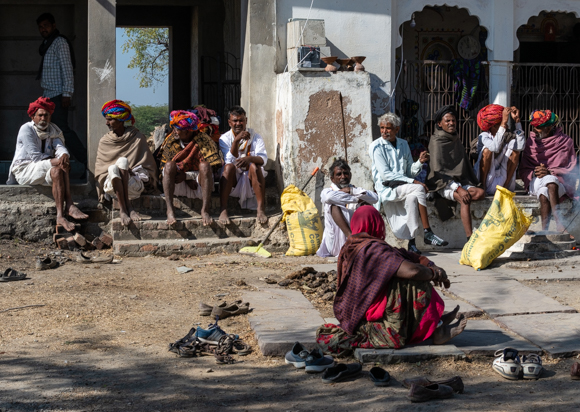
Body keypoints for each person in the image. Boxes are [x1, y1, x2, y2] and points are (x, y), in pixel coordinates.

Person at [316, 206, 467, 356]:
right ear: (377, 224)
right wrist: (434, 274)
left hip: (360, 310)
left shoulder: (356, 244)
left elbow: (405, 255)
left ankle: (435, 321)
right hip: (368, 315)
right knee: (414, 280)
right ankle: (437, 331)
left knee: (411, 269)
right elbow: (412, 271)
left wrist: (432, 266)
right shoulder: (372, 249)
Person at [369, 112, 448, 254]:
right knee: (418, 189)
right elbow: (385, 174)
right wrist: (413, 181)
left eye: (388, 128)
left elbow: (409, 172)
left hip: (403, 187)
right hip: (387, 188)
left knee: (412, 198)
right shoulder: (376, 146)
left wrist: (419, 162)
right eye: (382, 128)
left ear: (396, 129)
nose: (384, 131)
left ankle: (411, 243)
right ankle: (427, 232)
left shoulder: (403, 144)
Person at [6, 97, 88, 231]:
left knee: (58, 170)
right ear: (33, 116)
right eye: (40, 115)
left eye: (46, 115)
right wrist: (60, 160)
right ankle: (70, 204)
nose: (43, 118)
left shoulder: (53, 129)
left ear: (50, 117)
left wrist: (64, 155)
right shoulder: (26, 129)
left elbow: (60, 147)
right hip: (25, 170)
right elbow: (36, 157)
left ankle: (60, 216)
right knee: (60, 164)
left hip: (43, 169)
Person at [36, 12, 86, 172]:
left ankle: (86, 161)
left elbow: (67, 68)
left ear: (54, 26)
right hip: (48, 95)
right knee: (50, 131)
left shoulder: (60, 42)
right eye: (41, 27)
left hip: (58, 94)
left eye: (46, 26)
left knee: (62, 130)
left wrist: (67, 93)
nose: (43, 29)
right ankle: (57, 164)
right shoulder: (47, 44)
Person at [95, 100, 158, 226]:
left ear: (121, 120)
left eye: (110, 119)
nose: (107, 123)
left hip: (133, 184)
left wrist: (130, 171)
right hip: (112, 186)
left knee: (122, 162)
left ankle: (125, 208)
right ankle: (126, 208)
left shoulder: (137, 137)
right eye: (106, 119)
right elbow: (101, 171)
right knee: (113, 168)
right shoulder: (105, 141)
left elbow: (148, 166)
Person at [426, 105, 485, 240]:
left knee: (480, 193)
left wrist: (462, 187)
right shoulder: (436, 141)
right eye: (447, 121)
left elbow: (461, 166)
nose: (451, 123)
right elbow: (438, 171)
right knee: (464, 200)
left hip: (458, 181)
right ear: (440, 124)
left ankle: (458, 194)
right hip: (441, 183)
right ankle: (470, 238)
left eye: (453, 120)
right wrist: (458, 189)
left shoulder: (455, 139)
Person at [159, 110, 223, 227]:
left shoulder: (204, 140)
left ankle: (205, 210)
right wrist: (185, 178)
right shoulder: (171, 139)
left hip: (199, 185)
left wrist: (187, 176)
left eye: (177, 129)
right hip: (178, 182)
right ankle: (170, 210)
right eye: (174, 128)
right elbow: (164, 167)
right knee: (169, 165)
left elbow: (211, 169)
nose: (174, 131)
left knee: (204, 165)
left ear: (188, 131)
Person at [519, 110, 578, 236]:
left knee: (546, 189)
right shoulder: (531, 141)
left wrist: (549, 171)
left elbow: (570, 168)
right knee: (547, 184)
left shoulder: (565, 141)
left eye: (540, 128)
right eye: (535, 127)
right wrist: (535, 172)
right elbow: (524, 168)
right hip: (536, 180)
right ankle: (557, 226)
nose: (536, 130)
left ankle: (547, 230)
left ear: (550, 127)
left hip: (560, 182)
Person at [317, 159, 378, 258]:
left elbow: (375, 198)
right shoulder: (327, 191)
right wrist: (356, 199)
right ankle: (351, 238)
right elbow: (328, 198)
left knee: (366, 206)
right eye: (339, 174)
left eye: (346, 173)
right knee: (333, 204)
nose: (343, 177)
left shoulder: (354, 190)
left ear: (350, 175)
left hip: (356, 244)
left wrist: (351, 190)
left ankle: (364, 242)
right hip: (335, 244)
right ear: (332, 178)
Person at [219, 106, 268, 224]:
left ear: (246, 120)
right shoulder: (224, 138)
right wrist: (236, 141)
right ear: (229, 122)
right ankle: (223, 209)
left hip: (251, 177)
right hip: (234, 178)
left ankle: (260, 209)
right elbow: (229, 161)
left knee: (254, 166)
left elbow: (263, 159)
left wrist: (249, 159)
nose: (238, 124)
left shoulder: (255, 136)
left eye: (241, 120)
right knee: (228, 167)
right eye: (235, 121)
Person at [474, 104, 525, 195]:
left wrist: (517, 121)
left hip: (503, 180)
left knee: (515, 150)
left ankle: (504, 188)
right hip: (488, 181)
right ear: (493, 126)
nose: (507, 127)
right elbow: (495, 147)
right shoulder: (484, 136)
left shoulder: (507, 136)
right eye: (502, 125)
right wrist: (503, 123)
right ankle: (482, 186)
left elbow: (520, 147)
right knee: (487, 150)